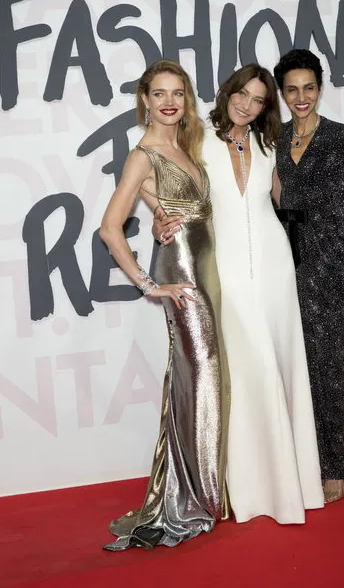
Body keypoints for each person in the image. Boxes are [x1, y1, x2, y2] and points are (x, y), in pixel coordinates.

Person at [154, 64, 324, 524]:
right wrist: (158, 213)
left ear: (266, 106)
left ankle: (295, 481)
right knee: (245, 370)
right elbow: (163, 176)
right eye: (241, 94)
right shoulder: (197, 138)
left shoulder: (270, 144)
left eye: (258, 99)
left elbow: (282, 200)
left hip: (273, 264)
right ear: (226, 92)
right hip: (225, 266)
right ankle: (246, 488)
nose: (247, 105)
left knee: (281, 361)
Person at [99, 59, 230, 551]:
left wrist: (157, 214)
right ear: (145, 100)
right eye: (159, 94)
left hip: (207, 275)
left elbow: (175, 209)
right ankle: (197, 497)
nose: (170, 101)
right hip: (181, 279)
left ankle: (197, 485)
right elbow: (110, 228)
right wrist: (148, 284)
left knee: (197, 378)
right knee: (203, 374)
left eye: (178, 93)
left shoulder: (184, 146)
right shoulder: (143, 154)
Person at [273, 48, 344, 503]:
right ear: (281, 93)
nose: (301, 97)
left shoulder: (339, 137)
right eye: (292, 89)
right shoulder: (273, 138)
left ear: (320, 88)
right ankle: (301, 455)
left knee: (328, 368)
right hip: (281, 261)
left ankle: (334, 463)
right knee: (291, 366)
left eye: (309, 88)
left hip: (328, 264)